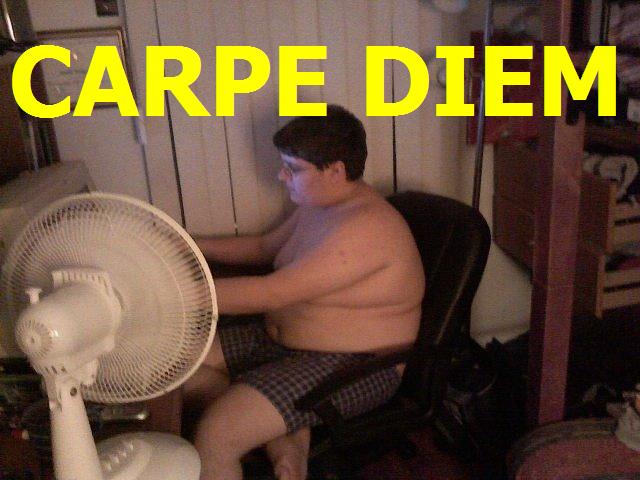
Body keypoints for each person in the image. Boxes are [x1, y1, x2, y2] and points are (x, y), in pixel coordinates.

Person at [185, 105, 425, 480]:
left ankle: (262, 425)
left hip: (351, 364)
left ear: (335, 171)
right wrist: (190, 244)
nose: (281, 176)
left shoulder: (367, 227)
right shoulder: (321, 204)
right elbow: (264, 247)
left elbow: (272, 293)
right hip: (283, 343)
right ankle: (285, 438)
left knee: (215, 436)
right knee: (181, 369)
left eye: (292, 169)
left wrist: (173, 294)